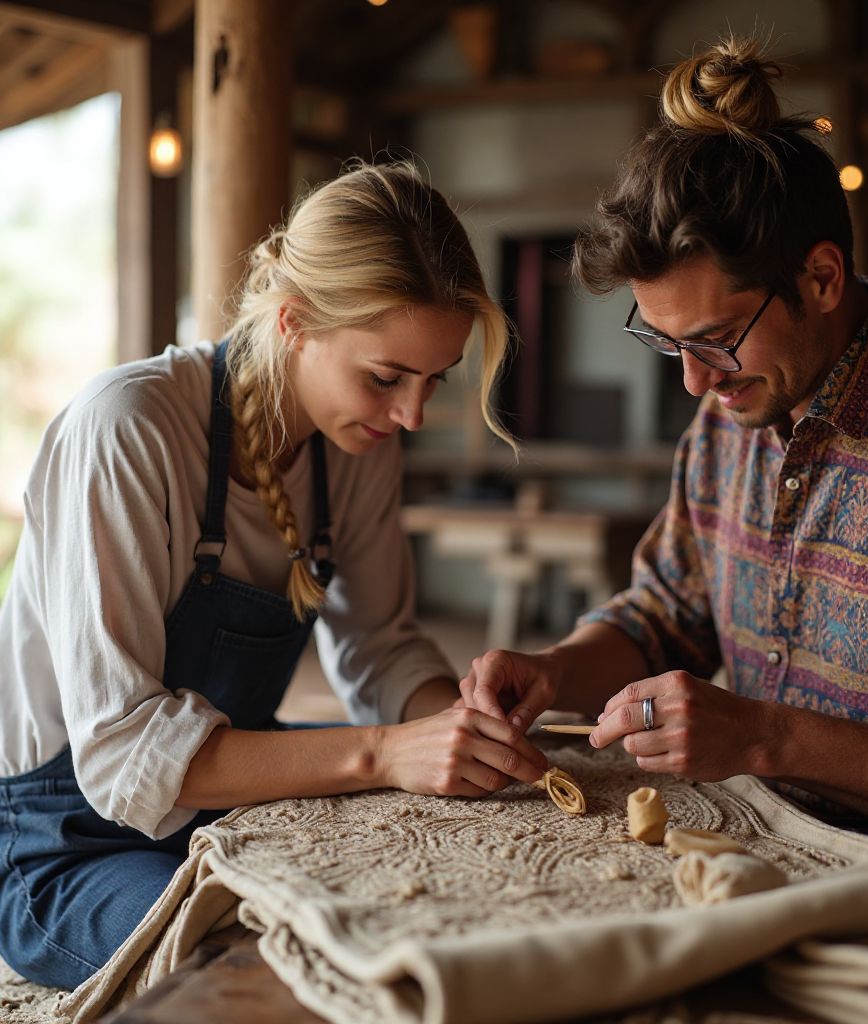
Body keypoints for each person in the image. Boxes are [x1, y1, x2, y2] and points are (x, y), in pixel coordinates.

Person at [460, 37, 868, 852]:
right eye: (668, 344)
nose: (695, 382)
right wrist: (556, 670)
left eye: (716, 338)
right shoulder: (734, 412)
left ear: (822, 278)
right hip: (761, 840)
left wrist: (761, 736)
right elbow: (666, 613)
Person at [0, 160, 547, 989]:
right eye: (385, 377)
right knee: (275, 963)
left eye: (433, 380)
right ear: (294, 321)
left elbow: (380, 647)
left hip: (226, 799)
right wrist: (384, 754)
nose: (411, 415)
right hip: (67, 836)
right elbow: (121, 755)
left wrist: (462, 730)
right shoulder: (130, 428)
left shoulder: (357, 442)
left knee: (431, 896)